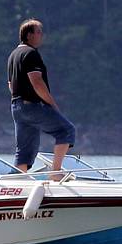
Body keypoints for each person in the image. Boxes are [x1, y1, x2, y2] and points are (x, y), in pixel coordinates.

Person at [7, 19, 75, 177]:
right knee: (66, 130)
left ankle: (14, 180)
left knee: (24, 151)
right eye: (38, 32)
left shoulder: (13, 55)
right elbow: (37, 81)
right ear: (29, 35)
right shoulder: (30, 53)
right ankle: (56, 173)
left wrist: (20, 102)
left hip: (16, 107)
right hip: (31, 106)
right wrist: (51, 104)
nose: (41, 35)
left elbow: (10, 84)